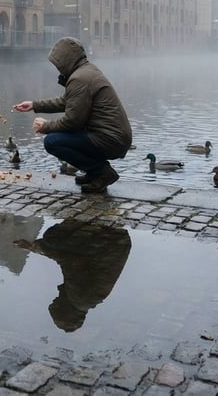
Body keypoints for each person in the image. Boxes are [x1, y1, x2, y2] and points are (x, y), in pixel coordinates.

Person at [12, 37, 132, 193]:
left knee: (52, 141)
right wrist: (35, 105)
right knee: (65, 136)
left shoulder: (79, 78)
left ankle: (102, 173)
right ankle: (95, 173)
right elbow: (67, 101)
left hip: (110, 139)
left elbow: (73, 121)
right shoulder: (87, 71)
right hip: (114, 136)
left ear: (65, 60)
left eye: (57, 63)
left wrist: (46, 127)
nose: (57, 68)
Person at [14, 220, 131, 331]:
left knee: (55, 243)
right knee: (53, 238)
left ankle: (86, 225)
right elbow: (70, 261)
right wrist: (35, 247)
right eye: (56, 304)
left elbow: (71, 262)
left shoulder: (84, 301)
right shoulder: (79, 298)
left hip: (114, 245)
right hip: (111, 242)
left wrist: (35, 248)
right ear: (64, 310)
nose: (54, 299)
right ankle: (87, 224)